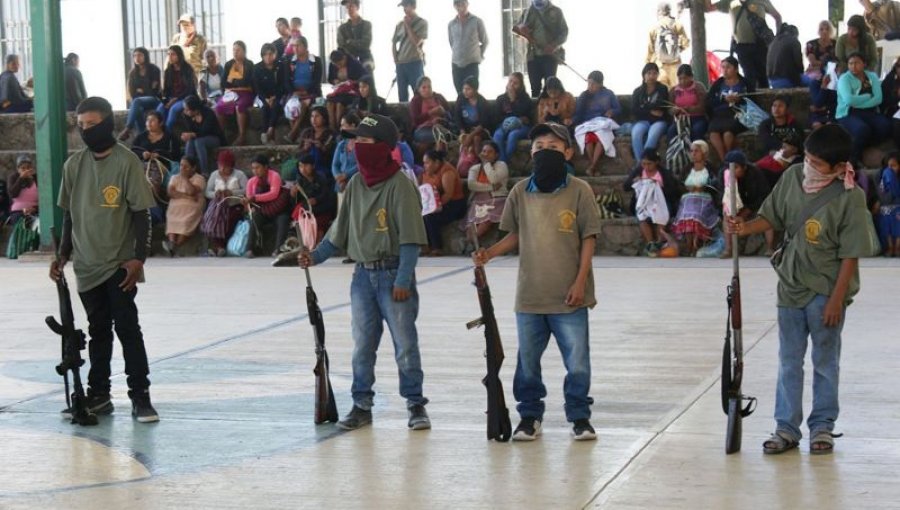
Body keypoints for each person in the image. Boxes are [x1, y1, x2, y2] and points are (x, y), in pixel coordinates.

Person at [726, 124, 880, 455]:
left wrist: (837, 300)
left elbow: (851, 255)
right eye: (807, 157)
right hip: (790, 287)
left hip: (826, 290)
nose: (808, 165)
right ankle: (786, 427)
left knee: (825, 361)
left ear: (839, 168)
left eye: (817, 162)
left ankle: (822, 426)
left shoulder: (850, 197)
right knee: (788, 361)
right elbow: (772, 216)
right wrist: (744, 227)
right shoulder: (794, 176)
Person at [299, 114, 431, 431]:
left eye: (365, 141)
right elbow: (338, 232)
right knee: (362, 345)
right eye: (355, 140)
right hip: (362, 277)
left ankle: (415, 404)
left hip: (393, 273)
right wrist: (315, 256)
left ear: (384, 147)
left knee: (405, 344)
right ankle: (361, 405)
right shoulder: (357, 183)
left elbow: (412, 239)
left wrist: (403, 279)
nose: (357, 146)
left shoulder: (401, 185)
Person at [472, 121, 601, 441]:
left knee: (578, 362)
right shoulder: (519, 192)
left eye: (554, 148)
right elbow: (515, 234)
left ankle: (579, 416)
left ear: (568, 152)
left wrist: (580, 282)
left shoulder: (580, 191)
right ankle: (529, 415)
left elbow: (589, 239)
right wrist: (489, 253)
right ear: (530, 153)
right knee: (527, 362)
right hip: (530, 296)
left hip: (569, 297)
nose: (546, 152)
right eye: (540, 148)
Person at [50, 96, 159, 423]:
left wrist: (138, 259)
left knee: (128, 328)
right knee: (98, 330)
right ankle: (99, 395)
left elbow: (142, 215)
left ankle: (141, 396)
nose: (85, 131)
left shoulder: (127, 162)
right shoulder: (74, 165)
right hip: (86, 264)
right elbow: (69, 216)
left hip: (119, 265)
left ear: (107, 124)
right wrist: (62, 255)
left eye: (92, 125)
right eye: (81, 125)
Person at [706, 0, 781, 89]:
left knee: (762, 76)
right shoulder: (729, 2)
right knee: (749, 75)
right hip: (742, 46)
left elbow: (777, 16)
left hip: (761, 45)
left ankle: (762, 100)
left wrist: (778, 36)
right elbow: (708, 8)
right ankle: (751, 99)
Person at [624, 149, 680, 256]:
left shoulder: (664, 173)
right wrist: (634, 181)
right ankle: (650, 243)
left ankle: (659, 242)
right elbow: (625, 187)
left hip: (662, 201)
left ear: (656, 162)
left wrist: (660, 186)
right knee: (641, 215)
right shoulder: (639, 171)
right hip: (644, 203)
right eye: (644, 164)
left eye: (649, 164)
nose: (646, 167)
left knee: (662, 215)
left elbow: (674, 191)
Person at [836, 52, 890, 162]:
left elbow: (878, 99)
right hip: (848, 113)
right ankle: (853, 159)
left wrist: (860, 102)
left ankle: (865, 147)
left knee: (885, 125)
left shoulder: (872, 76)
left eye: (857, 63)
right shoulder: (844, 79)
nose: (853, 66)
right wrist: (867, 96)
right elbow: (849, 100)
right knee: (862, 129)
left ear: (864, 64)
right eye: (850, 63)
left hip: (870, 112)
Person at [720, 150, 772, 257]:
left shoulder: (755, 173)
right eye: (730, 168)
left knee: (769, 214)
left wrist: (747, 210)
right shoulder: (723, 174)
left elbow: (762, 196)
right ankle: (728, 249)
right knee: (726, 215)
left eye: (736, 168)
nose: (732, 171)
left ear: (744, 167)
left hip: (756, 205)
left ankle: (770, 247)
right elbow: (722, 195)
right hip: (736, 206)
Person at [673, 141, 720, 255]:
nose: (693, 154)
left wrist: (703, 188)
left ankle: (695, 243)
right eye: (692, 151)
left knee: (696, 214)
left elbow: (716, 185)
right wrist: (688, 189)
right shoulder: (687, 169)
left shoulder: (711, 169)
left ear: (704, 153)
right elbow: (679, 186)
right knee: (688, 213)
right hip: (688, 200)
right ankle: (690, 244)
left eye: (696, 151)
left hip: (705, 200)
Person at [515, 0, 569, 97]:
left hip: (550, 56)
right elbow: (516, 30)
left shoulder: (556, 12)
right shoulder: (528, 12)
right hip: (533, 56)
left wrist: (554, 45)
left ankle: (551, 111)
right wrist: (521, 29)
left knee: (550, 87)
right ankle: (537, 111)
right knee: (535, 88)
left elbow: (564, 32)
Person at [572, 71, 621, 176]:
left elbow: (618, 109)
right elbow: (578, 114)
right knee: (588, 138)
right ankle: (594, 166)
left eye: (593, 83)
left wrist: (612, 111)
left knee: (601, 137)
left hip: (603, 122)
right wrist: (571, 120)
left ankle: (592, 166)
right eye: (588, 83)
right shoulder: (584, 96)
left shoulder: (609, 94)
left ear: (600, 84)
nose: (590, 86)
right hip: (588, 124)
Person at [707, 56, 754, 162]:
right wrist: (723, 99)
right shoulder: (719, 83)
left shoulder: (745, 83)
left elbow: (753, 100)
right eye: (723, 67)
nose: (725, 70)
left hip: (738, 113)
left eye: (728, 67)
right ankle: (725, 161)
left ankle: (729, 158)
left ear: (736, 69)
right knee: (713, 133)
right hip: (720, 114)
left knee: (728, 134)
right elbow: (710, 101)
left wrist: (739, 100)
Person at [464, 140, 509, 249]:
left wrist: (486, 164)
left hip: (497, 199)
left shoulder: (501, 165)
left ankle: (469, 242)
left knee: (487, 219)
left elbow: (494, 179)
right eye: (484, 151)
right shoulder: (475, 168)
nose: (486, 154)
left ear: (496, 154)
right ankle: (471, 242)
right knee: (471, 223)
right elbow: (471, 184)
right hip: (479, 199)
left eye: (490, 152)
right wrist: (490, 187)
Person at [202, 149, 247, 257]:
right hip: (217, 206)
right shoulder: (214, 175)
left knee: (230, 218)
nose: (222, 168)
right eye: (220, 165)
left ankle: (221, 246)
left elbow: (246, 190)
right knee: (212, 218)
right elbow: (207, 192)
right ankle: (219, 246)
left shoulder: (240, 175)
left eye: (225, 166)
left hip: (234, 205)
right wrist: (216, 194)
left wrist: (232, 193)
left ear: (231, 166)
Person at [244, 154, 291, 258]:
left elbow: (273, 194)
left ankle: (278, 249)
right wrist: (250, 205)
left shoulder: (274, 176)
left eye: (258, 167)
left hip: (277, 209)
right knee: (255, 218)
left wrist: (256, 198)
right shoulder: (251, 182)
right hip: (262, 210)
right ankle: (249, 249)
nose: (255, 171)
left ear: (265, 167)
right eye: (253, 168)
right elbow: (249, 198)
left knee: (283, 219)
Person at [421, 149, 466, 256]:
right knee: (420, 216)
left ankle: (437, 247)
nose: (425, 165)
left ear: (436, 163)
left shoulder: (447, 172)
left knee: (430, 217)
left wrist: (434, 207)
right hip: (434, 203)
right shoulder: (427, 173)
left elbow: (448, 194)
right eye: (424, 163)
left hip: (454, 204)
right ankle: (425, 246)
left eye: (427, 163)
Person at [163, 155, 207, 256]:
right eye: (181, 165)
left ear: (193, 168)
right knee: (172, 218)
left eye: (185, 166)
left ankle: (174, 246)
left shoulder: (199, 178)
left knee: (186, 221)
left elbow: (192, 191)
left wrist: (185, 178)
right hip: (176, 205)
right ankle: (172, 243)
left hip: (193, 206)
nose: (182, 168)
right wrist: (186, 197)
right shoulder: (174, 177)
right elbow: (170, 192)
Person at [283, 36, 323, 143]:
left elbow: (317, 80)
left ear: (305, 47)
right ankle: (296, 135)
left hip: (310, 92)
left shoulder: (316, 61)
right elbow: (286, 80)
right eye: (293, 46)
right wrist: (294, 92)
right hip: (294, 93)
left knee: (303, 105)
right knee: (291, 107)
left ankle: (293, 133)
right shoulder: (289, 61)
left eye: (298, 45)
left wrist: (306, 91)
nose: (295, 48)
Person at [214, 41, 255, 146]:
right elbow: (224, 83)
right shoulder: (229, 64)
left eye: (238, 50)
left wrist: (232, 80)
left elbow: (248, 82)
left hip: (246, 93)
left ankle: (242, 135)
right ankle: (220, 135)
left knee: (240, 106)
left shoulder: (249, 64)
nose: (235, 52)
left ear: (244, 52)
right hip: (231, 93)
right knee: (219, 107)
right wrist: (231, 82)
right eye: (234, 50)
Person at [291, 153, 337, 242]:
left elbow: (326, 194)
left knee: (319, 223)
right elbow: (296, 201)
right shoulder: (299, 181)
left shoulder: (321, 178)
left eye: (306, 166)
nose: (303, 169)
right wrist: (293, 194)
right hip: (308, 209)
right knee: (300, 209)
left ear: (313, 166)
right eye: (300, 166)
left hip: (322, 207)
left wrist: (316, 200)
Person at [453, 76, 493, 177]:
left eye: (468, 89)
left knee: (476, 139)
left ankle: (482, 165)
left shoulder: (482, 102)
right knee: (465, 141)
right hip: (466, 129)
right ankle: (465, 167)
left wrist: (470, 136)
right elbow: (457, 117)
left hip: (481, 130)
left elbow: (484, 123)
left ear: (475, 90)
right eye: (464, 89)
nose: (465, 91)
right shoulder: (461, 98)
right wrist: (463, 133)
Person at [631, 63, 670, 164]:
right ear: (644, 75)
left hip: (659, 121)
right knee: (636, 134)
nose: (652, 76)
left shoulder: (662, 89)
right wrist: (651, 111)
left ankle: (645, 164)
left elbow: (661, 107)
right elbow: (635, 110)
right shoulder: (637, 92)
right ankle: (641, 166)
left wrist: (644, 107)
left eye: (654, 73)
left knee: (653, 136)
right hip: (642, 121)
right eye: (649, 73)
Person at [119, 48, 162, 140]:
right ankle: (143, 137)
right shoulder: (132, 73)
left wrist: (141, 91)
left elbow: (154, 90)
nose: (137, 58)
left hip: (154, 99)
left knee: (137, 101)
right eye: (134, 56)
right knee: (138, 108)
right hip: (138, 101)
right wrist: (140, 91)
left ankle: (127, 128)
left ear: (145, 56)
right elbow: (132, 92)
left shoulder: (154, 69)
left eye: (139, 55)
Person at [448, 0, 488, 95]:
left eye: (462, 3)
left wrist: (479, 55)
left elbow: (485, 41)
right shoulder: (451, 24)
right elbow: (452, 43)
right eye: (458, 4)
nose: (460, 6)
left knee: (472, 92)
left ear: (467, 4)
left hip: (471, 63)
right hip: (456, 63)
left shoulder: (477, 21)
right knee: (460, 93)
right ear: (454, 6)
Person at [180, 95, 226, 177]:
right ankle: (188, 169)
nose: (185, 111)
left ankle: (205, 172)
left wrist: (193, 134)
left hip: (214, 138)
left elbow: (206, 130)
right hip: (197, 138)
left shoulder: (208, 113)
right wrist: (187, 135)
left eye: (187, 109)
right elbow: (190, 130)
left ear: (195, 109)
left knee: (198, 142)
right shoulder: (186, 116)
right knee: (190, 141)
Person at [646, 2, 689, 88]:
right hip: (675, 65)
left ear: (659, 12)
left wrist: (648, 64)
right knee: (675, 90)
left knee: (662, 90)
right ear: (669, 11)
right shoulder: (677, 25)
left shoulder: (654, 28)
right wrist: (678, 49)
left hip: (660, 66)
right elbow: (686, 43)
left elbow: (650, 49)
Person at [492, 72, 533, 163]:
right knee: (498, 135)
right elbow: (496, 118)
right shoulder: (500, 98)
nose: (512, 85)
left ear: (521, 86)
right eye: (510, 81)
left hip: (521, 127)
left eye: (515, 83)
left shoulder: (525, 99)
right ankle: (503, 163)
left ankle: (505, 162)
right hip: (504, 126)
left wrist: (513, 101)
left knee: (513, 135)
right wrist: (505, 122)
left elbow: (527, 117)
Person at [392, 0, 428, 103]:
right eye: (403, 6)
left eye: (406, 6)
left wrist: (408, 26)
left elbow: (416, 42)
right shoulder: (399, 25)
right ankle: (404, 118)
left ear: (413, 6)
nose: (404, 9)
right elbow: (394, 42)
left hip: (415, 62)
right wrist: (395, 59)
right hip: (401, 64)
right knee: (402, 95)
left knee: (419, 93)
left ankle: (420, 117)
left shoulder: (422, 23)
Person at [157, 45, 197, 131]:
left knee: (173, 110)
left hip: (185, 98)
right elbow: (166, 90)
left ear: (179, 55)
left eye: (173, 54)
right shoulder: (168, 71)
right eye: (169, 54)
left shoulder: (187, 69)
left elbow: (190, 89)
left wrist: (176, 99)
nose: (170, 57)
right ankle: (158, 134)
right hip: (172, 98)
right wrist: (166, 101)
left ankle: (166, 136)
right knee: (160, 109)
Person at [408, 76, 450, 157]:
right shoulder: (415, 101)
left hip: (439, 127)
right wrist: (431, 112)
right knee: (440, 137)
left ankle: (435, 163)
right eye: (424, 87)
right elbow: (416, 120)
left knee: (433, 140)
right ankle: (439, 162)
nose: (427, 90)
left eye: (429, 87)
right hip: (422, 130)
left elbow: (449, 113)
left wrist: (443, 114)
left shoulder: (439, 97)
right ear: (418, 89)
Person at [326, 49, 366, 132]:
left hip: (352, 92)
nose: (338, 66)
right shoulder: (333, 65)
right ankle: (332, 127)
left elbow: (364, 78)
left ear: (344, 58)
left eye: (340, 63)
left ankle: (338, 126)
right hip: (339, 91)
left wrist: (351, 82)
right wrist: (335, 81)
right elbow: (330, 78)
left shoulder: (355, 64)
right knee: (329, 103)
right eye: (336, 64)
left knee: (339, 104)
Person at [667, 64, 708, 142]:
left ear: (691, 77)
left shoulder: (698, 87)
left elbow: (703, 107)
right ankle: (675, 152)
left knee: (697, 130)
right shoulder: (673, 90)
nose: (682, 81)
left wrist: (688, 109)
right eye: (680, 79)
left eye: (685, 78)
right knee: (671, 132)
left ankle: (695, 152)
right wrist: (674, 110)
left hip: (698, 118)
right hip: (681, 120)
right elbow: (669, 108)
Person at [254, 43, 283, 145]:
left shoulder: (280, 66)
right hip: (262, 96)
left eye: (271, 54)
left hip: (277, 95)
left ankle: (270, 130)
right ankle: (263, 133)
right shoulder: (257, 68)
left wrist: (274, 97)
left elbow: (282, 85)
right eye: (265, 54)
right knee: (265, 107)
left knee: (276, 105)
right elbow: (257, 88)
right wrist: (265, 99)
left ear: (275, 55)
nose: (268, 57)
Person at [298, 106, 337, 177]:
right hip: (306, 165)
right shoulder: (307, 132)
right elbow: (298, 152)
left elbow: (333, 154)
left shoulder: (330, 134)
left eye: (317, 116)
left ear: (324, 118)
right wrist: (305, 148)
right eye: (312, 116)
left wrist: (322, 148)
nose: (314, 119)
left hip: (323, 165)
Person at [338, 0, 374, 71]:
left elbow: (366, 44)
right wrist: (357, 43)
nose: (349, 9)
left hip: (365, 59)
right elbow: (341, 46)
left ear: (357, 7)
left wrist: (349, 41)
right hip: (349, 59)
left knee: (367, 69)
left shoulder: (366, 24)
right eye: (347, 7)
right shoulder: (342, 28)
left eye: (351, 6)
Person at [333, 112, 361, 197]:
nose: (341, 128)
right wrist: (338, 176)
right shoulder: (341, 144)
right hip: (341, 185)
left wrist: (346, 175)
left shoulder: (363, 143)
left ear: (352, 125)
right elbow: (335, 164)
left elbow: (361, 164)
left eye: (343, 125)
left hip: (357, 185)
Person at [767, 24, 803, 89]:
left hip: (772, 81)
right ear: (796, 34)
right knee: (813, 82)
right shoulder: (794, 41)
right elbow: (799, 63)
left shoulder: (773, 42)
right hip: (787, 79)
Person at [878, 152, 900, 256]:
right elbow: (880, 193)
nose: (890, 169)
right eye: (888, 166)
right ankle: (890, 247)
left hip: (898, 206)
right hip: (885, 206)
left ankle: (898, 247)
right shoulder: (882, 177)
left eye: (893, 166)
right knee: (886, 226)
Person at [6, 154, 38, 226]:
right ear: (18, 169)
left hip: (34, 211)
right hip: (18, 211)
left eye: (28, 168)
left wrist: (35, 208)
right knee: (21, 223)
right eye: (23, 168)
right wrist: (21, 178)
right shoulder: (13, 177)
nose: (26, 171)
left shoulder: (36, 178)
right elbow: (13, 194)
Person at [804, 21, 836, 86]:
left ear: (831, 31)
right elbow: (813, 62)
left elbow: (837, 61)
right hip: (814, 71)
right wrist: (828, 63)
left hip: (832, 71)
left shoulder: (836, 44)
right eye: (821, 29)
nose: (824, 31)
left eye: (827, 29)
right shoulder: (811, 44)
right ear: (818, 31)